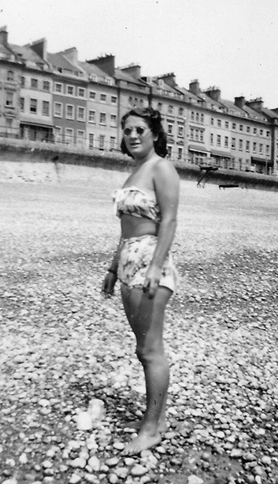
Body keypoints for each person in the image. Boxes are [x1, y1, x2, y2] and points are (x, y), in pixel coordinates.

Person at [101, 107, 180, 455]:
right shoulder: (135, 172)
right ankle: (156, 420)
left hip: (151, 262)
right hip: (129, 262)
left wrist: (155, 267)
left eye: (140, 130)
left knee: (151, 350)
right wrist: (111, 267)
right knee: (142, 348)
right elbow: (126, 231)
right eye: (128, 130)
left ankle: (151, 429)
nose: (133, 136)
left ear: (155, 134)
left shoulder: (162, 168)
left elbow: (170, 221)